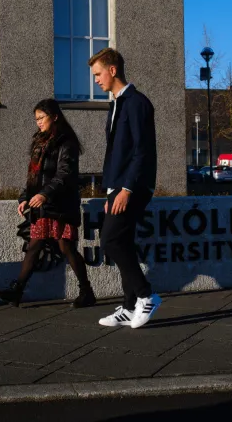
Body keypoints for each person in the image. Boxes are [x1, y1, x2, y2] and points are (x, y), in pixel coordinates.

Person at [0, 99, 96, 309]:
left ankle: (86, 291)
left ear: (55, 116)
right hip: (44, 206)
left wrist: (45, 195)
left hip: (61, 205)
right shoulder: (40, 142)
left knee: (66, 247)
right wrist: (24, 199)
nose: (38, 122)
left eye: (42, 117)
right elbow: (33, 177)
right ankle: (17, 291)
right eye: (36, 118)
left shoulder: (67, 142)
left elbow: (65, 174)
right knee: (35, 245)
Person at [89, 48, 160, 329]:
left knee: (110, 241)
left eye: (98, 74)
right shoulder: (117, 104)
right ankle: (130, 307)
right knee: (123, 242)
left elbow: (143, 152)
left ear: (113, 70)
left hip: (134, 186)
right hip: (118, 186)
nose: (95, 80)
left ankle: (147, 295)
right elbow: (117, 153)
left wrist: (127, 189)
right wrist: (111, 191)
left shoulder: (137, 103)